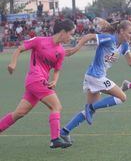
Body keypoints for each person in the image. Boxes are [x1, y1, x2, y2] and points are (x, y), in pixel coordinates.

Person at [59, 19, 131, 144]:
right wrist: (76, 48)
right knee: (122, 97)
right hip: (96, 77)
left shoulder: (124, 46)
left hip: (93, 77)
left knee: (89, 112)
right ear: (121, 31)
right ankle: (91, 107)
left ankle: (64, 131)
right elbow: (89, 36)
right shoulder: (109, 39)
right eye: (130, 32)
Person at [0, 19, 76, 148]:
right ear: (63, 32)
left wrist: (55, 80)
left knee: (19, 113)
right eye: (71, 33)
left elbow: (57, 70)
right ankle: (55, 139)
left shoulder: (61, 51)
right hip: (35, 79)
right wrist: (13, 63)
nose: (71, 37)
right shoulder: (39, 41)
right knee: (56, 107)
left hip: (38, 83)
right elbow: (19, 49)